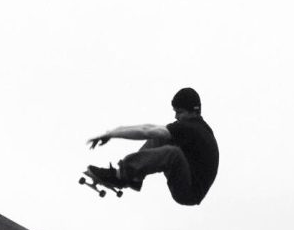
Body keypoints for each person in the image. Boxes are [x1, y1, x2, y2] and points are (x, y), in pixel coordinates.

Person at [86, 87, 219, 206]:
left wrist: (112, 134)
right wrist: (113, 131)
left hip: (189, 191)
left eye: (179, 112)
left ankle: (121, 175)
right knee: (161, 136)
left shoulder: (191, 128)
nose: (176, 116)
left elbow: (145, 132)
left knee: (172, 153)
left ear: (194, 111)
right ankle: (134, 178)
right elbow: (151, 128)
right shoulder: (195, 127)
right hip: (189, 173)